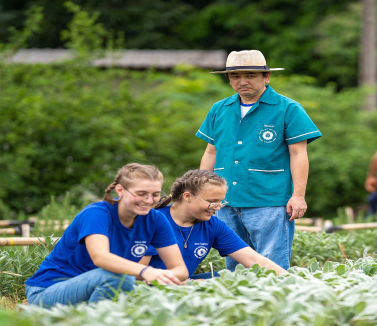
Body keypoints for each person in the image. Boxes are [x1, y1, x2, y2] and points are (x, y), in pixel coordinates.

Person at [197, 50, 321, 270]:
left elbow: (298, 154)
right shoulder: (219, 109)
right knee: (234, 262)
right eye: (235, 76)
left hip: (269, 201)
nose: (242, 81)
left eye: (251, 75)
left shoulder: (288, 109)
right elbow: (211, 153)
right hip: (226, 200)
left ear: (267, 77)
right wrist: (202, 193)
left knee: (271, 263)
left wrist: (298, 196)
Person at [25, 163, 188, 307]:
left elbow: (180, 270)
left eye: (155, 194)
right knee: (119, 278)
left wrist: (161, 276)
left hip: (103, 285)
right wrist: (145, 271)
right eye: (141, 193)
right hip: (48, 291)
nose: (148, 200)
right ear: (120, 190)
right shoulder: (97, 213)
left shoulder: (155, 219)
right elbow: (101, 258)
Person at [140, 170, 287, 279]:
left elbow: (254, 260)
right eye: (212, 201)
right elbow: (139, 272)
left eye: (220, 202)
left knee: (243, 277)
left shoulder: (213, 225)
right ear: (187, 196)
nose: (217, 207)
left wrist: (295, 281)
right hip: (150, 284)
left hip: (185, 282)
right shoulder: (152, 220)